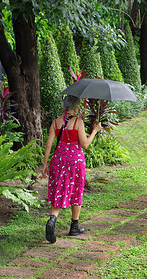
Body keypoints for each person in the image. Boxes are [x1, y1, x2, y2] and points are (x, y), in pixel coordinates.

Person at [43, 95, 101, 243]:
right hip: (75, 161)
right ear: (76, 108)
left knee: (59, 190)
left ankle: (52, 219)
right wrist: (95, 130)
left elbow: (49, 144)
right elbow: (85, 144)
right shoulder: (78, 122)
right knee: (76, 190)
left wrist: (45, 164)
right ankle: (74, 226)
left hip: (58, 160)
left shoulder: (56, 122)